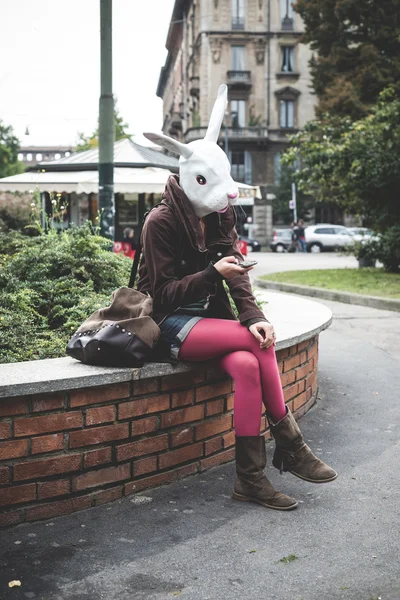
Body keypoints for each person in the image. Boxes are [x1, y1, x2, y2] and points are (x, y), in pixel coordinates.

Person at [137, 85, 337, 512]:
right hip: (170, 325)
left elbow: (237, 274)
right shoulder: (160, 223)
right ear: (188, 178)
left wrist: (253, 316)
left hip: (211, 322)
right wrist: (211, 274)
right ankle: (291, 445)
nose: (225, 196)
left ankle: (250, 480)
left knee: (250, 360)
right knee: (252, 342)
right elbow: (160, 295)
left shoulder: (220, 212)